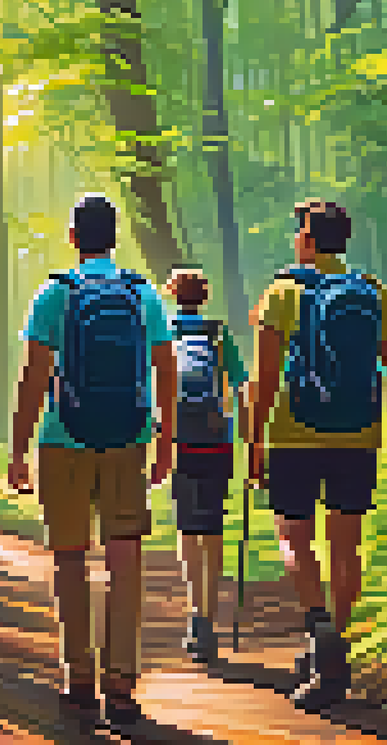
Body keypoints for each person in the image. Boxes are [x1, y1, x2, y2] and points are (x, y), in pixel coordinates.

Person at [8, 194, 176, 728]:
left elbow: (33, 376)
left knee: (71, 557)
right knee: (124, 558)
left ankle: (79, 675)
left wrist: (18, 448)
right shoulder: (143, 294)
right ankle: (122, 682)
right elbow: (165, 369)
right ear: (117, 235)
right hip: (129, 436)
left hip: (64, 438)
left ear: (74, 237)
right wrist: (164, 438)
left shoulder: (55, 294)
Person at [244, 198, 387, 712]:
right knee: (346, 545)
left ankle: (320, 639)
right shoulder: (372, 291)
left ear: (308, 239)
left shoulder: (284, 293)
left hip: (293, 435)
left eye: (299, 232)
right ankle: (335, 646)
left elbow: (265, 380)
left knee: (293, 537)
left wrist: (254, 445)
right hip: (358, 433)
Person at [160, 267, 248, 665]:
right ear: (204, 298)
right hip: (218, 442)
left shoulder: (164, 334)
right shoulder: (219, 334)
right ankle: (209, 616)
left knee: (186, 528)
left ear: (173, 295)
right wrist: (248, 439)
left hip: (180, 443)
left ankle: (195, 617)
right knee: (212, 528)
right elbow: (240, 387)